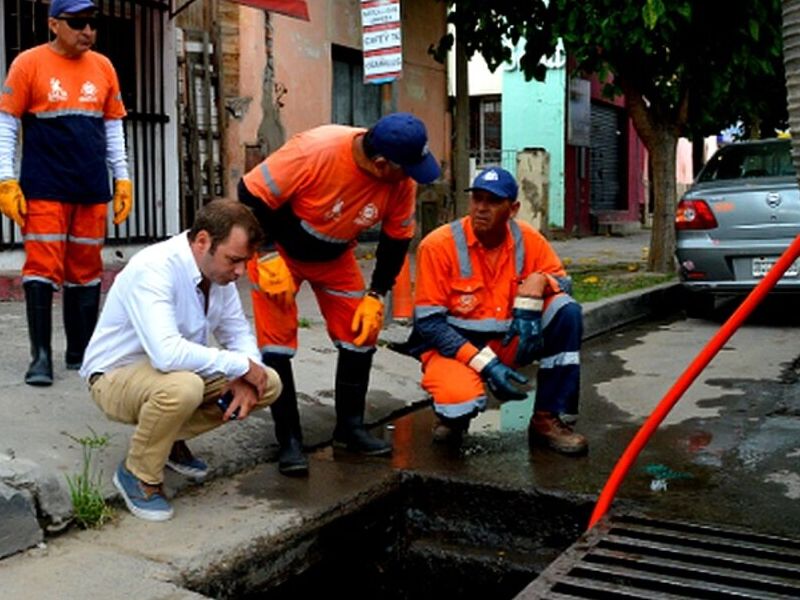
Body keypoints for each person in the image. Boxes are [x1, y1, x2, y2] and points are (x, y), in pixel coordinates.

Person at [238, 112, 440, 476]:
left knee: (361, 334)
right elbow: (250, 194)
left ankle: (350, 428)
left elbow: (396, 240)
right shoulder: (315, 151)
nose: (412, 177)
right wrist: (266, 253)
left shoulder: (400, 181)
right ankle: (289, 440)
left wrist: (377, 294)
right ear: (381, 163)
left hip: (335, 255)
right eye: (408, 169)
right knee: (277, 345)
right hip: (280, 254)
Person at [79, 199, 282, 521]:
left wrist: (248, 373)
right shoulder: (155, 267)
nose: (240, 272)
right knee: (183, 388)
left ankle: (168, 439)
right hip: (113, 377)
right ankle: (138, 473)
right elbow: (167, 353)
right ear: (202, 241)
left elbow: (237, 333)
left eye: (245, 261)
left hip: (174, 373)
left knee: (268, 383)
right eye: (234, 260)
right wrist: (241, 366)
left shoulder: (217, 275)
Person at [409, 166, 588, 455]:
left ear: (513, 209)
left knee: (566, 310)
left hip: (509, 341)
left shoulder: (528, 239)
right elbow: (429, 324)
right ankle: (452, 418)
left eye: (493, 201)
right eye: (477, 198)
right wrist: (486, 364)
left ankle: (547, 418)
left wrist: (541, 280)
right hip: (455, 348)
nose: (481, 208)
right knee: (458, 401)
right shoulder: (438, 245)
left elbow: (565, 284)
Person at [0, 0, 132, 387]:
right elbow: (7, 125)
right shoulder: (28, 64)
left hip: (90, 187)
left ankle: (81, 352)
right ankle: (41, 357)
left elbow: (113, 127)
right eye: (77, 23)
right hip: (44, 186)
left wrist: (122, 178)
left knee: (86, 271)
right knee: (41, 269)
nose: (87, 31)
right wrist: (6, 179)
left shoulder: (103, 67)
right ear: (54, 24)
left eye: (92, 23)